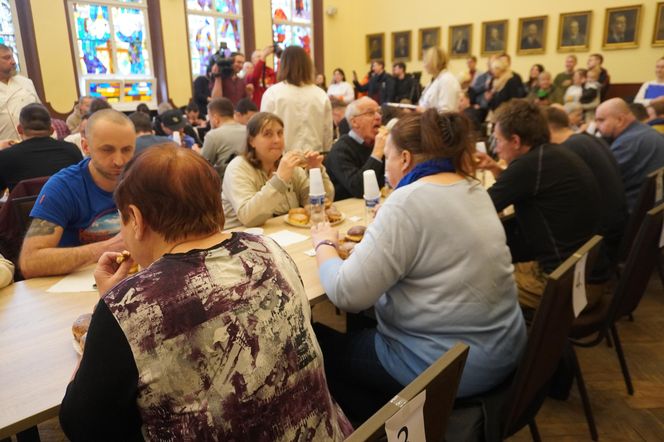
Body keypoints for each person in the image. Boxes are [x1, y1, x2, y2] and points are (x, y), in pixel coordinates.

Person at [59, 144, 352, 441]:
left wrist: (105, 307)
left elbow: (81, 424)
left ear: (135, 219)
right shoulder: (270, 250)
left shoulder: (129, 307)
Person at [311, 109, 526, 422]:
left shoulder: (408, 201)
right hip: (501, 351)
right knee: (358, 326)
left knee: (318, 348)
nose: (387, 168)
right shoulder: (473, 188)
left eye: (389, 158)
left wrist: (324, 244)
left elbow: (346, 294)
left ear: (406, 159)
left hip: (449, 370)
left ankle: (382, 427)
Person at [476, 99, 601, 310]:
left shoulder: (528, 166)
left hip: (565, 286)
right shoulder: (553, 154)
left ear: (515, 141)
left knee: (471, 286)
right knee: (488, 266)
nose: (496, 147)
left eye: (497, 140)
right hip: (586, 273)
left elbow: (478, 208)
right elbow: (522, 184)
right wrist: (496, 169)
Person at [18, 109, 135, 278]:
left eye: (126, 150)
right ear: (86, 147)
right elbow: (30, 263)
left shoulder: (142, 179)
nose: (119, 161)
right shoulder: (62, 187)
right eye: (107, 150)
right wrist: (107, 247)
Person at [546, 106, 627, 267]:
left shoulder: (567, 150)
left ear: (546, 129)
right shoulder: (587, 138)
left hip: (598, 244)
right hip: (616, 228)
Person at [222, 112, 334, 228]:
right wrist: (280, 179)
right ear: (251, 141)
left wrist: (315, 172)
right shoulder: (238, 167)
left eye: (280, 133)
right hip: (241, 238)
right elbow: (249, 218)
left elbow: (321, 204)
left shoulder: (289, 164)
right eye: (268, 134)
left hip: (285, 235)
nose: (277, 140)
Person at [595, 98, 664, 212]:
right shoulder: (646, 131)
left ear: (620, 120)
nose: (597, 126)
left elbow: (600, 183)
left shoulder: (627, 144)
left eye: (601, 120)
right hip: (651, 211)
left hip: (633, 213)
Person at [261, 45, 333, 153]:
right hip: (314, 157)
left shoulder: (273, 93)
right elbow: (327, 132)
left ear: (283, 65)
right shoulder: (320, 94)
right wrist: (326, 152)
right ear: (308, 65)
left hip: (283, 159)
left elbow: (264, 130)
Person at [0, 103, 82, 193]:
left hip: (28, 208)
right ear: (51, 130)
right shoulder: (71, 150)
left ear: (19, 129)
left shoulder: (6, 156)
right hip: (68, 206)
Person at [324, 97, 386, 200]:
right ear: (354, 122)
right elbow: (359, 189)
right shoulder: (340, 150)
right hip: (346, 210)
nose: (378, 117)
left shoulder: (380, 143)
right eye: (370, 113)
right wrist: (377, 152)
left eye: (379, 112)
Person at [0, 44, 40, 141]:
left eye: (13, 57)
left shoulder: (26, 82)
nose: (13, 62)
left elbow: (40, 112)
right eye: (7, 58)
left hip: (33, 143)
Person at [201, 97, 247, 181]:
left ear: (215, 118)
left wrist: (197, 154)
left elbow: (203, 167)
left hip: (225, 185)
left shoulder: (213, 135)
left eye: (209, 118)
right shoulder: (248, 130)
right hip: (250, 180)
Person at [417, 47, 460, 112]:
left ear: (434, 62)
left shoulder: (447, 80)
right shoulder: (435, 80)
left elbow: (446, 112)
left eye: (426, 61)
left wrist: (424, 111)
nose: (424, 65)